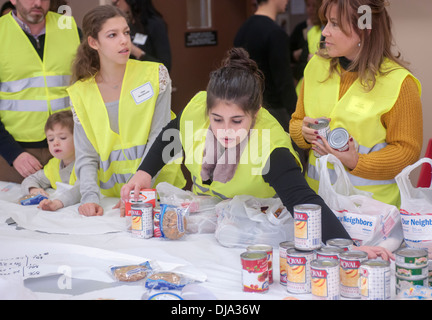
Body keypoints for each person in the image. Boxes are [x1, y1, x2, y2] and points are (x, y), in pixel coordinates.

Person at [122, 47, 394, 261]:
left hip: (253, 234)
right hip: (206, 230)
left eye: (237, 121)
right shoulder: (196, 111)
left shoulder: (270, 146)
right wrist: (144, 172)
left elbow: (302, 200)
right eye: (217, 119)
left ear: (255, 113)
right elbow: (172, 134)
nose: (225, 130)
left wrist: (346, 247)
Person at [289, 0, 423, 209]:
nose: (324, 32)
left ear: (364, 29)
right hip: (318, 205)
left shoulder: (399, 83)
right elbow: (297, 121)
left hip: (371, 213)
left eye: (334, 24)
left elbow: (406, 152)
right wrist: (303, 133)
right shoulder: (316, 66)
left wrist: (355, 161)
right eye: (326, 22)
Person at [67, 5, 185, 217]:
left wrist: (139, 191)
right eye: (112, 35)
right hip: (109, 202)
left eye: (126, 32)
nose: (124, 40)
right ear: (94, 42)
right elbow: (86, 156)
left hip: (160, 193)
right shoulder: (80, 92)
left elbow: (160, 134)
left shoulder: (155, 75)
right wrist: (90, 198)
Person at [0, 0, 81, 183]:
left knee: (72, 208)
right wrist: (13, 154)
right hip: (16, 155)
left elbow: (90, 85)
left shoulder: (68, 27)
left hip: (70, 148)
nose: (38, 2)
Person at [233, 0, 297, 133]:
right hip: (275, 113)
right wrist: (297, 115)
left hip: (247, 110)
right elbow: (284, 81)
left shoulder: (242, 30)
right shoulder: (275, 34)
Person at [21, 110, 80, 211]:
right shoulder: (54, 165)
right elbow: (31, 179)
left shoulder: (86, 163)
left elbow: (81, 190)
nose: (55, 143)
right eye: (51, 139)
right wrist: (33, 189)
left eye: (62, 137)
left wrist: (57, 203)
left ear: (79, 138)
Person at [112, 0, 172, 72]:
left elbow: (165, 66)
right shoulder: (126, 23)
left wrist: (136, 52)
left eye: (118, 0)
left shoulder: (155, 24)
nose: (116, 3)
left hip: (148, 77)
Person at [290, 0, 323, 95]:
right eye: (308, 5)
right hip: (307, 86)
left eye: (315, 6)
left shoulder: (323, 31)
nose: (312, 9)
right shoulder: (310, 31)